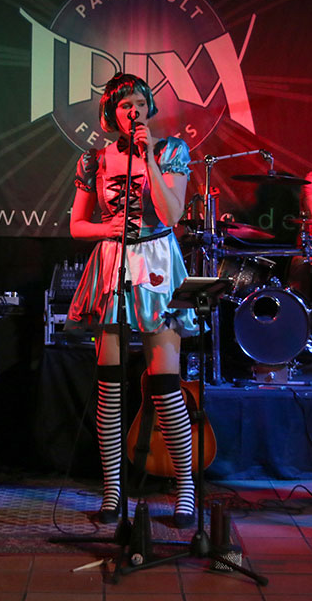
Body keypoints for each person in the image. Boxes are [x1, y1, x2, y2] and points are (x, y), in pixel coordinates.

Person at [66, 73, 200, 527]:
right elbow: (77, 225)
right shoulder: (94, 159)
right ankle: (112, 491)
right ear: (111, 112)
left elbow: (171, 213)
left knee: (165, 383)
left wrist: (148, 159)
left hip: (157, 261)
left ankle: (185, 489)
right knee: (109, 384)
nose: (134, 111)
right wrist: (107, 228)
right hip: (113, 262)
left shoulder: (170, 150)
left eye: (140, 103)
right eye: (125, 105)